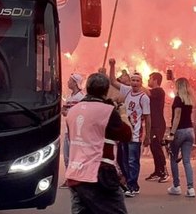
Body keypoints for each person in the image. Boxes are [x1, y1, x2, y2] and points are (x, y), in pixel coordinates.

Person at [65, 73, 132, 214]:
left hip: (76, 174)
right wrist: (123, 113)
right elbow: (127, 135)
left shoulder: (73, 111)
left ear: (88, 88)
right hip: (99, 174)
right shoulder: (108, 111)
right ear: (106, 90)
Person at [109, 59, 151, 197]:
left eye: (137, 81)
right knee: (123, 159)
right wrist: (112, 66)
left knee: (133, 160)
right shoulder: (126, 91)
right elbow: (113, 81)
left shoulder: (144, 98)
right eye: (133, 80)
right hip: (124, 132)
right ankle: (128, 182)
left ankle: (133, 186)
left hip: (136, 133)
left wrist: (148, 136)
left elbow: (147, 117)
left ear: (141, 82)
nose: (134, 83)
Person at [166, 77, 196, 198]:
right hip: (190, 130)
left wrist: (172, 133)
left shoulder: (178, 99)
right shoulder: (189, 99)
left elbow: (177, 117)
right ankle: (191, 188)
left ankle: (176, 185)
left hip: (180, 131)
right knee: (187, 161)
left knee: (173, 158)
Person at [61, 73, 86, 189]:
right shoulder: (70, 97)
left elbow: (81, 114)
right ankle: (70, 178)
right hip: (68, 130)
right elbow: (65, 110)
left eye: (70, 80)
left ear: (75, 83)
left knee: (74, 156)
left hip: (76, 132)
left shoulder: (81, 97)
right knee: (66, 156)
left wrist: (68, 113)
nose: (68, 82)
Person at [145, 71, 169, 183]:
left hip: (158, 124)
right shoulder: (152, 92)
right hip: (152, 123)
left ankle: (164, 171)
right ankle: (157, 171)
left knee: (157, 147)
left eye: (149, 79)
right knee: (153, 147)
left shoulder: (159, 91)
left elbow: (148, 93)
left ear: (155, 80)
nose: (147, 81)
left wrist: (137, 83)